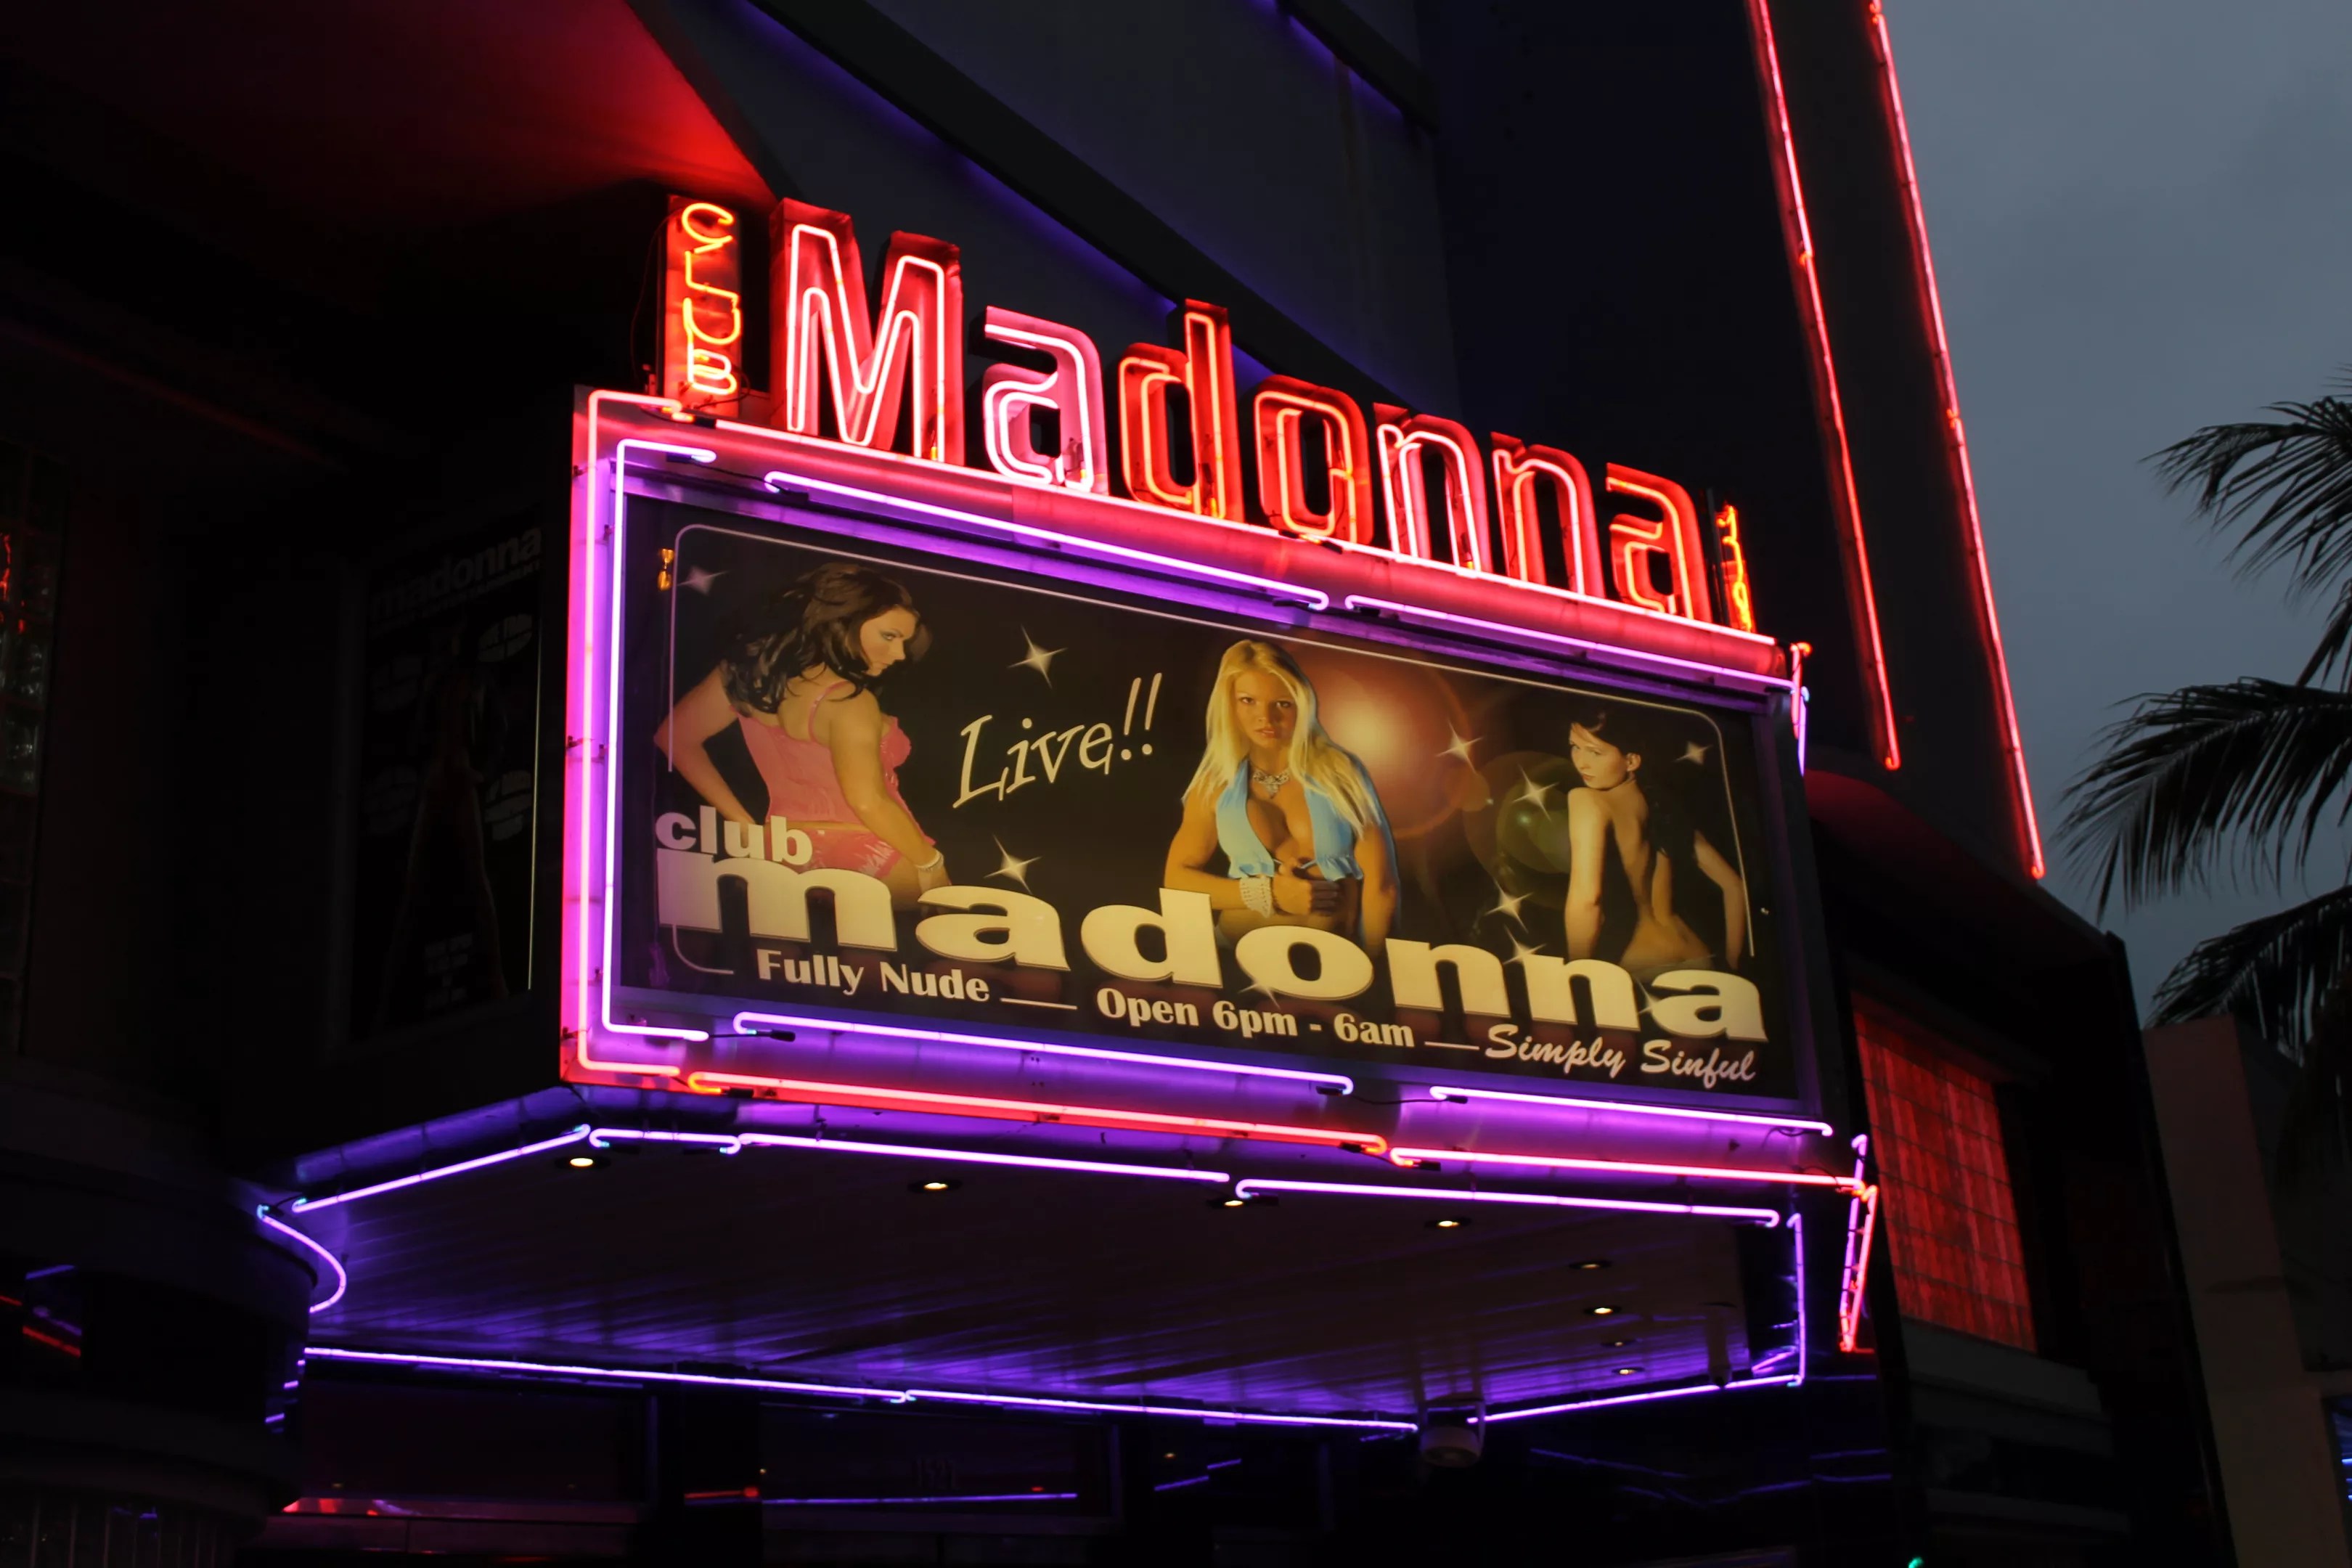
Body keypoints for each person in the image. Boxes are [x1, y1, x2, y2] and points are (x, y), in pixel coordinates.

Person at [654, 560, 947, 905]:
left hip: (782, 854)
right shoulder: (850, 701)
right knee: (932, 937)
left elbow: (674, 737)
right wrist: (930, 863)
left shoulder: (743, 675)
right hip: (872, 853)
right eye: (889, 636)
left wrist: (744, 826)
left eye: (903, 641)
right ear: (842, 621)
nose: (898, 654)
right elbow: (868, 801)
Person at [1164, 640, 1397, 951]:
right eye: (1248, 701)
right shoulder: (1215, 784)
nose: (1266, 717)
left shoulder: (1341, 773)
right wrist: (1268, 893)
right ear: (1229, 704)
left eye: (1282, 703)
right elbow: (1177, 879)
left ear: (1302, 703)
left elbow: (1382, 887)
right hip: (1234, 955)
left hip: (1331, 961)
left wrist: (1376, 965)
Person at [1561, 704, 1745, 979]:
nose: (1581, 762)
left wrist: (1575, 974)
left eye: (1595, 752)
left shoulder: (1588, 801)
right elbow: (1734, 886)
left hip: (1645, 963)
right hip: (1697, 954)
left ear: (1631, 761)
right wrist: (1732, 966)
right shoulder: (1664, 808)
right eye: (1575, 747)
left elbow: (1588, 900)